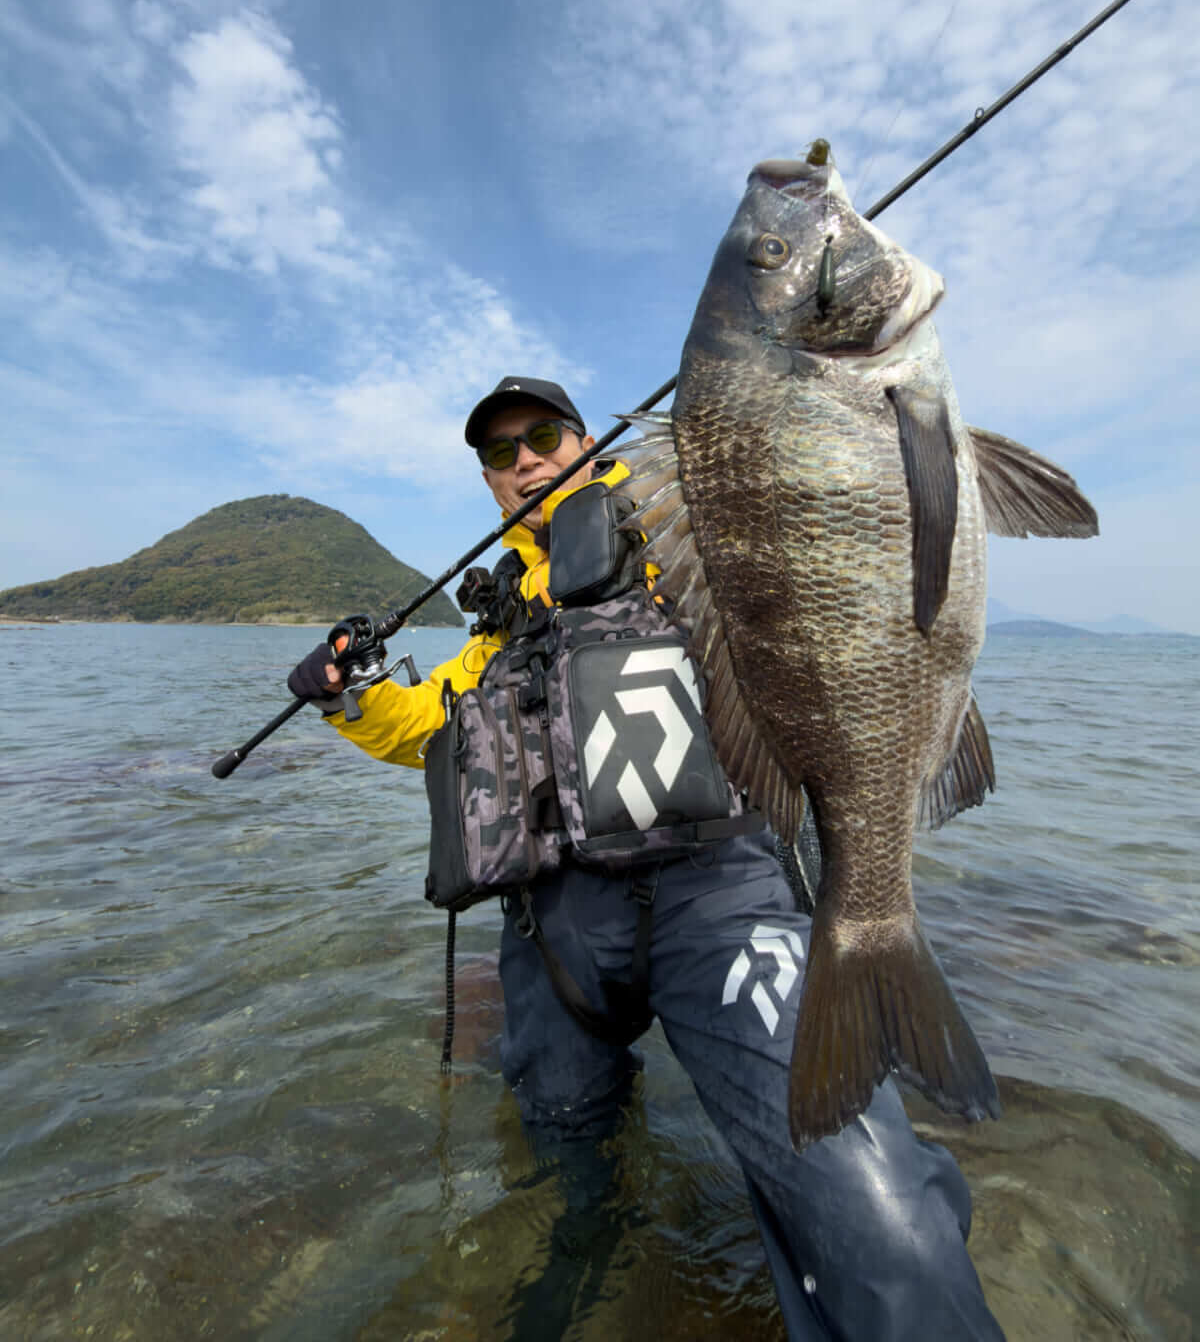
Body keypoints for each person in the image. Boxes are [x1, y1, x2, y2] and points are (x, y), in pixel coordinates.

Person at [287, 375, 1005, 1341]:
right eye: (500, 453)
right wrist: (349, 694)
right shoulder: (500, 621)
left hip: (719, 895)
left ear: (587, 441)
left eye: (545, 436)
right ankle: (599, 1267)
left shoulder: (687, 527)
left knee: (877, 1215)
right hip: (554, 929)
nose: (526, 461)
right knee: (565, 1155)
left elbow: (813, 548)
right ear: (489, 483)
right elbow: (431, 724)